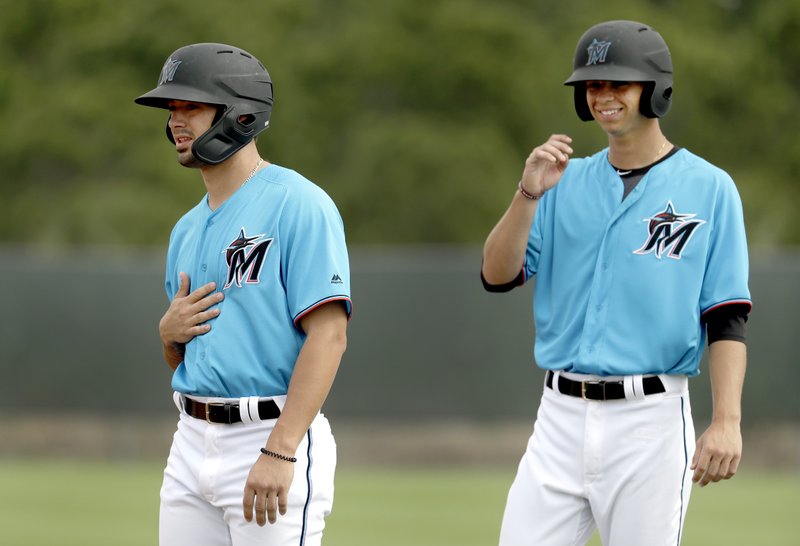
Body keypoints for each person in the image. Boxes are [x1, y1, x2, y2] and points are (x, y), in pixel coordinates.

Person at [481, 20, 751, 546]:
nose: (603, 96)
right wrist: (527, 193)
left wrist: (727, 421)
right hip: (559, 416)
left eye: (617, 84)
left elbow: (726, 317)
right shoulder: (563, 181)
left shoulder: (711, 188)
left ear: (654, 89)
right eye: (593, 85)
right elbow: (497, 275)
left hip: (649, 419)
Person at [135, 43, 352, 545]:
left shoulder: (299, 203)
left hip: (270, 434)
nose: (176, 122)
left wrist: (281, 449)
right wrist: (168, 337)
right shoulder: (186, 230)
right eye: (172, 109)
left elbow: (330, 337)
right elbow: (193, 358)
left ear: (240, 112)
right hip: (191, 437)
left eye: (191, 105)